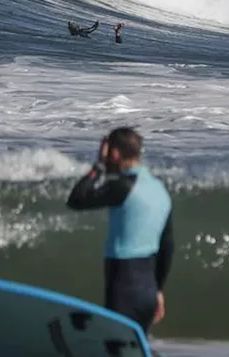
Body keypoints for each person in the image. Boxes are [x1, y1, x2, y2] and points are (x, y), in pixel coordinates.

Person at [66, 127, 174, 334]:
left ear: (114, 154)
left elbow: (76, 199)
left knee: (115, 348)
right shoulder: (160, 189)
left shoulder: (122, 187)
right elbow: (168, 246)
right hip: (149, 289)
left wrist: (98, 166)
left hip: (125, 287)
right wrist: (158, 290)